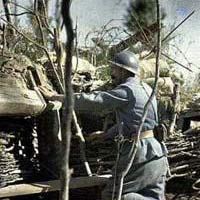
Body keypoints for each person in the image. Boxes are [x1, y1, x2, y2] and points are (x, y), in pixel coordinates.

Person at [40, 50, 168, 200]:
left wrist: (58, 97)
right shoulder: (146, 88)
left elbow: (95, 100)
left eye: (113, 69)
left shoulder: (127, 90)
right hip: (157, 153)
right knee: (153, 196)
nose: (111, 73)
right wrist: (106, 134)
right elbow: (136, 123)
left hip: (139, 154)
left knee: (113, 195)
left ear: (122, 70)